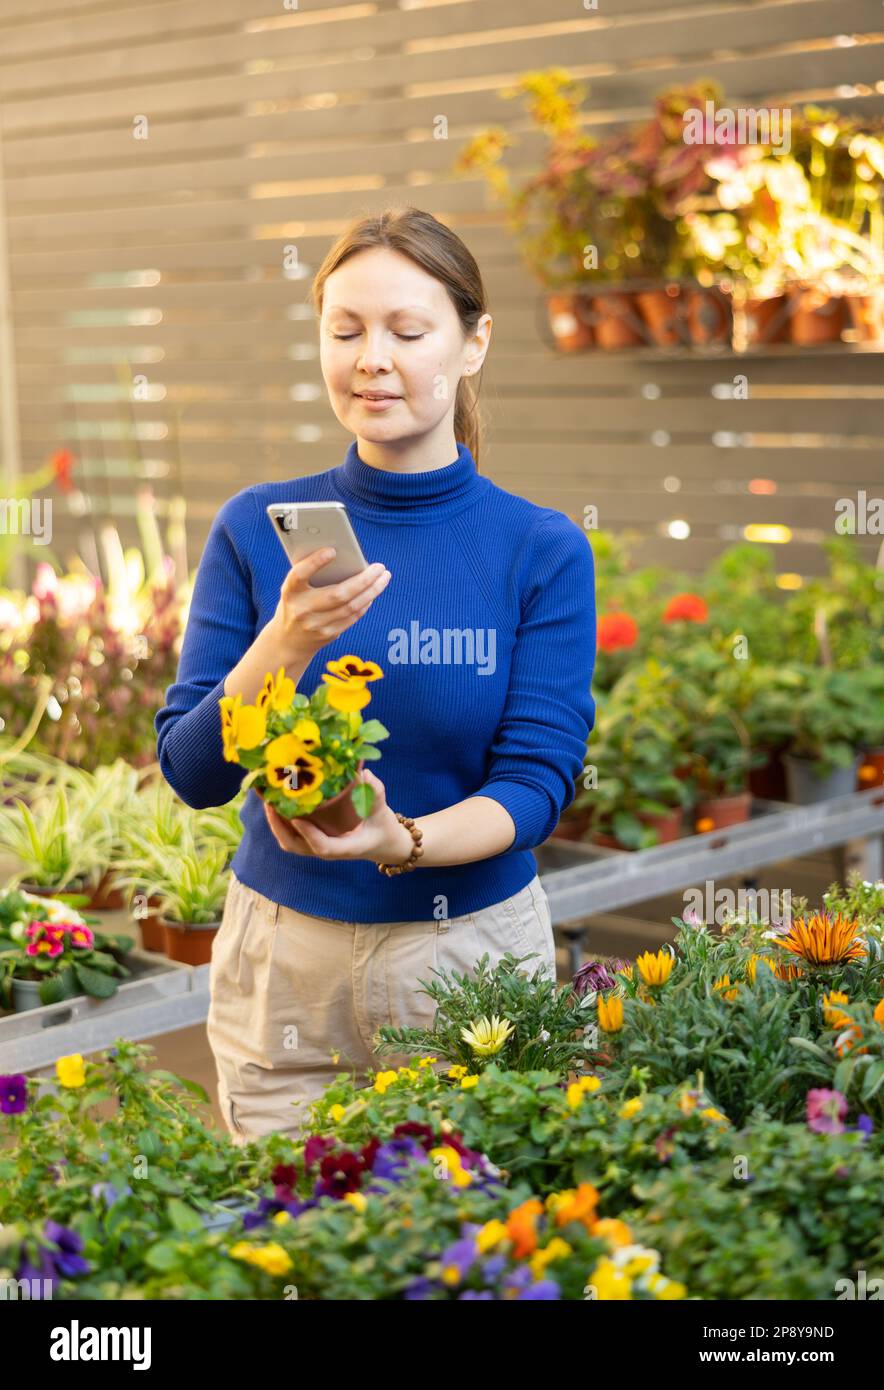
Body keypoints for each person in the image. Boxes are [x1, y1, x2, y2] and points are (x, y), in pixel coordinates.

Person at [155, 205, 596, 1142]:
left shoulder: (538, 547)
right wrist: (284, 643)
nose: (372, 360)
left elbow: (537, 785)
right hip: (284, 960)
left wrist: (401, 841)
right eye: (345, 330)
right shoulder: (255, 526)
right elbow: (193, 773)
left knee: (463, 1262)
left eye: (408, 330)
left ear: (473, 344)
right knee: (295, 1253)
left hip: (467, 958)